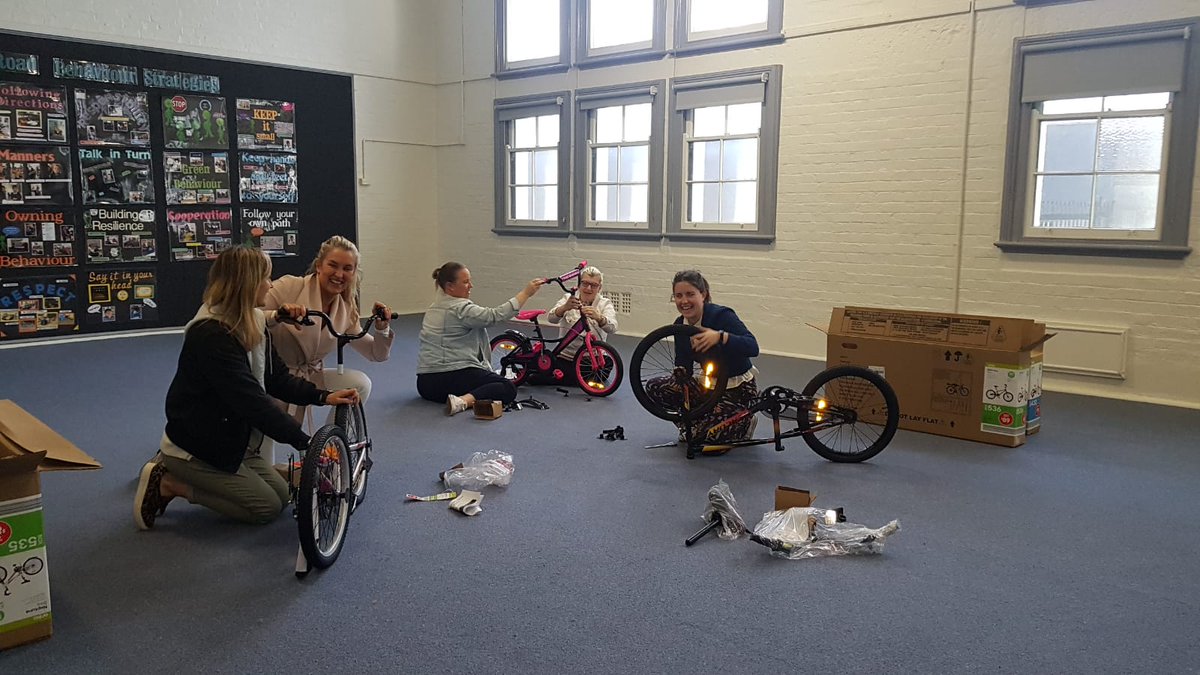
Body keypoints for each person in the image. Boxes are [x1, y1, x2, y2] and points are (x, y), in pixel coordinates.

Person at [133, 246, 359, 530]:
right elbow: (252, 402)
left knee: (282, 496)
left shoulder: (253, 319)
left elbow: (277, 379)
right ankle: (170, 482)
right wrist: (305, 441)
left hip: (231, 438)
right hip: (196, 445)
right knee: (265, 508)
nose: (270, 284)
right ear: (246, 283)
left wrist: (323, 396)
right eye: (265, 278)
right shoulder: (211, 335)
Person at [263, 235, 392, 420]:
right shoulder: (289, 286)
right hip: (273, 379)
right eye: (333, 265)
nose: (339, 274)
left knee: (360, 384)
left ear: (354, 273)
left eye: (347, 268)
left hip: (310, 378)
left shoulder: (345, 308)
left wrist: (382, 328)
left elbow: (376, 353)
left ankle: (332, 444)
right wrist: (278, 315)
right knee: (263, 443)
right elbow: (249, 316)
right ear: (319, 265)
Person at [646, 270, 760, 443]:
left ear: (703, 294)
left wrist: (720, 336)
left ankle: (745, 420)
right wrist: (680, 372)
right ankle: (694, 427)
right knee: (655, 387)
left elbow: (753, 347)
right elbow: (684, 364)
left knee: (707, 439)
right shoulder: (679, 325)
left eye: (690, 294)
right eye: (678, 295)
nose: (684, 301)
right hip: (709, 386)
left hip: (737, 388)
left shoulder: (722, 316)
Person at [417, 261, 544, 415]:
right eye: (465, 282)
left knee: (488, 381)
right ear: (450, 286)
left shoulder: (433, 308)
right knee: (507, 387)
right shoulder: (460, 309)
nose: (471, 286)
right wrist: (526, 293)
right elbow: (495, 316)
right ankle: (462, 401)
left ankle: (462, 398)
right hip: (450, 378)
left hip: (425, 386)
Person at [544, 265, 618, 375]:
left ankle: (567, 377)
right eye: (585, 283)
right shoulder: (568, 298)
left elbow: (613, 328)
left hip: (592, 358)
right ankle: (578, 378)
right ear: (579, 285)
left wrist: (600, 318)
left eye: (593, 285)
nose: (588, 288)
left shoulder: (604, 303)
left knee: (607, 364)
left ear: (600, 288)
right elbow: (551, 319)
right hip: (566, 357)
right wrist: (564, 307)